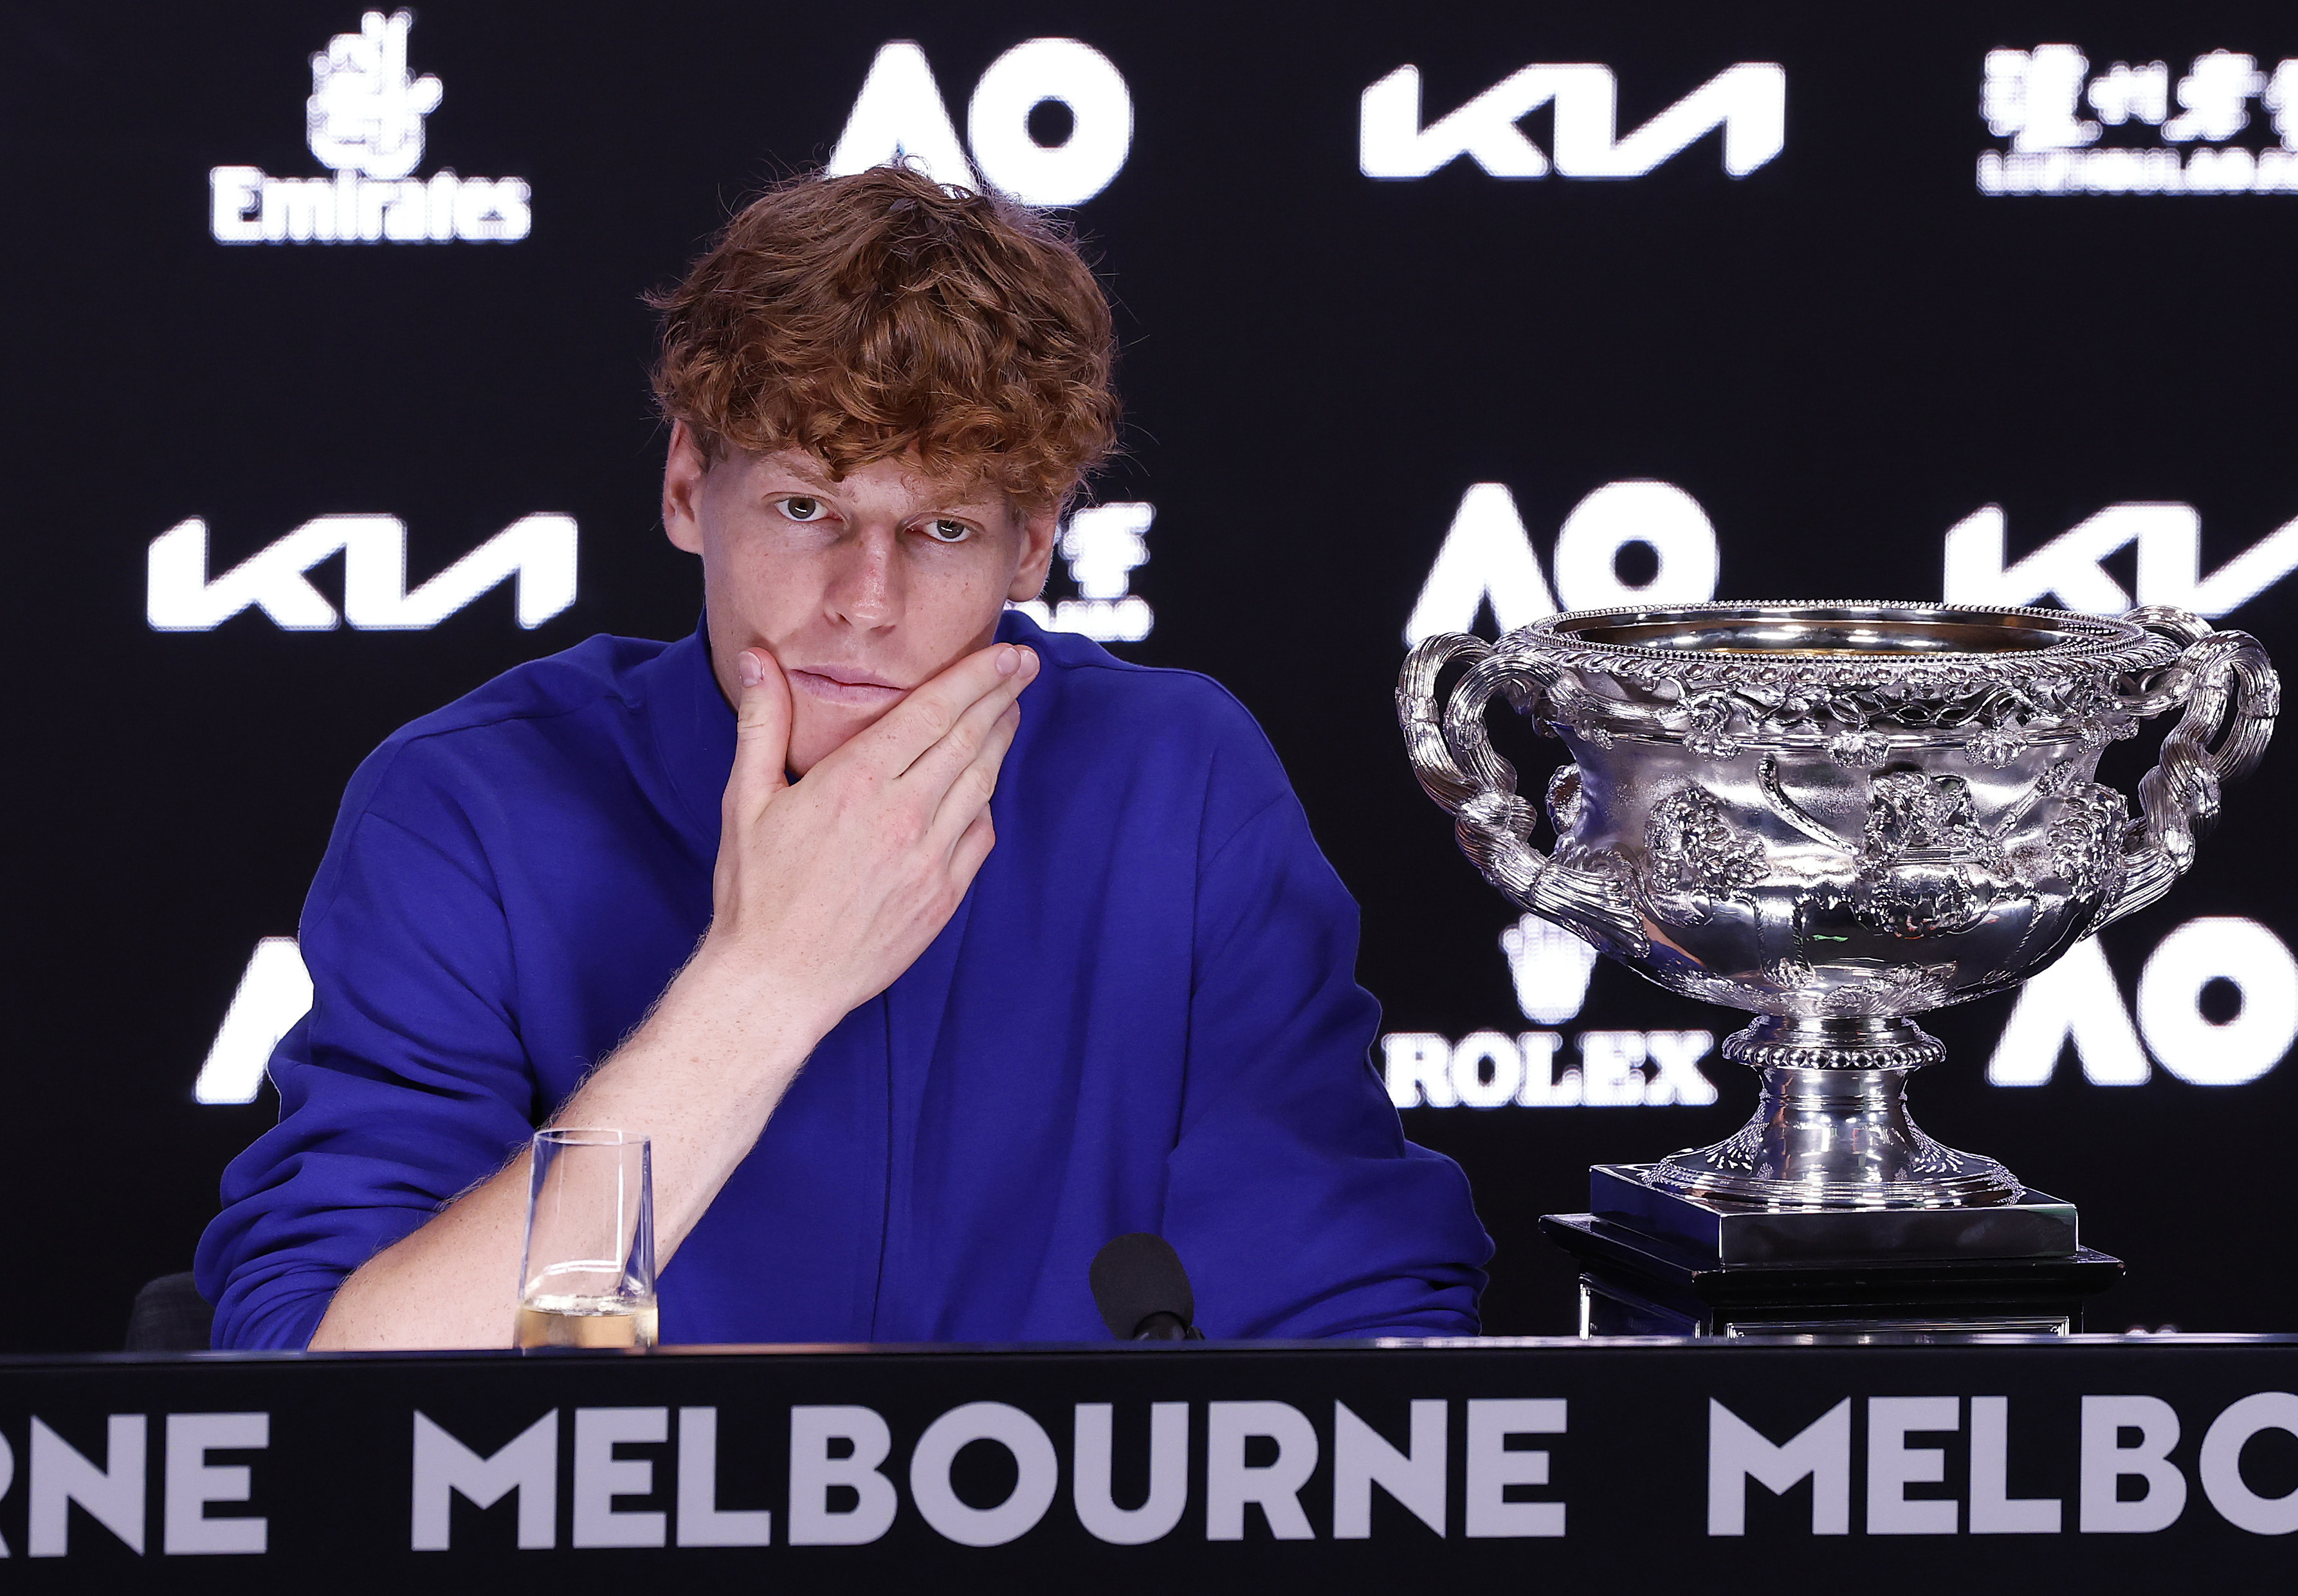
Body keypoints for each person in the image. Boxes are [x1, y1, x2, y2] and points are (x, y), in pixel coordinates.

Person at [196, 165, 1491, 1350]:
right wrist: (763, 982)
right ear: (685, 485)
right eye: (804, 505)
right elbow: (335, 1386)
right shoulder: (466, 806)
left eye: (939, 527)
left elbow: (1359, 1335)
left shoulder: (1175, 783)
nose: (863, 600)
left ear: (1033, 546)